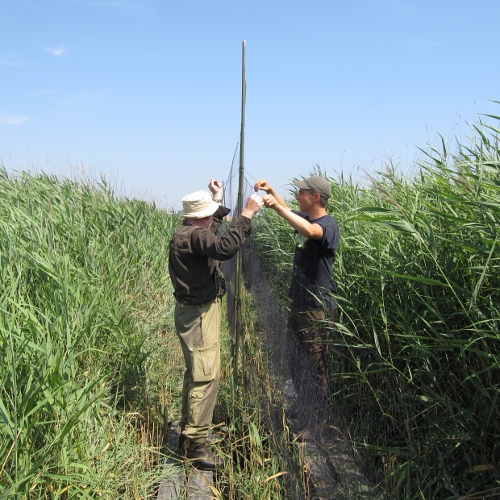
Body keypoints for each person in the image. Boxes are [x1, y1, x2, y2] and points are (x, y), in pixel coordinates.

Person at [169, 178, 263, 470]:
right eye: (210, 212)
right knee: (205, 376)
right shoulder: (193, 237)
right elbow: (223, 248)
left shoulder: (188, 233)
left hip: (194, 312)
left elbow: (210, 237)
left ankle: (191, 431)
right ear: (201, 217)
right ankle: (195, 446)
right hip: (198, 315)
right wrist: (246, 214)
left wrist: (217, 199)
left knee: (198, 372)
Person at [254, 175, 340, 398]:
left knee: (316, 366)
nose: (298, 196)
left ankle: (319, 424)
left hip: (317, 308)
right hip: (301, 304)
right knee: (296, 358)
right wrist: (271, 191)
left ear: (316, 197)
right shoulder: (308, 219)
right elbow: (290, 213)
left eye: (302, 192)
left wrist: (279, 210)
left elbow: (311, 232)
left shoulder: (327, 225)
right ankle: (304, 407)